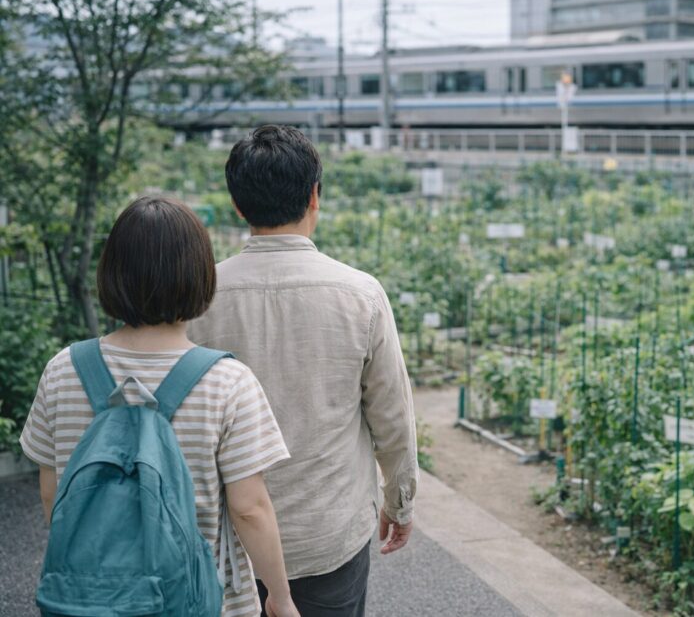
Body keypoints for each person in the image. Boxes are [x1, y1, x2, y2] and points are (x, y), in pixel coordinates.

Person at [19, 196, 300, 617]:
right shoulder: (227, 382)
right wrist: (279, 596)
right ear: (200, 276)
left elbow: (52, 492)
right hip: (200, 600)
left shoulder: (63, 370)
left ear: (111, 272)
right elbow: (249, 507)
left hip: (88, 599)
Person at [189, 125, 419, 617]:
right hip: (328, 536)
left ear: (237, 205)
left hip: (225, 540)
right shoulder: (361, 294)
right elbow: (393, 418)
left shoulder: (199, 296)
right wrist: (399, 502)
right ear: (315, 195)